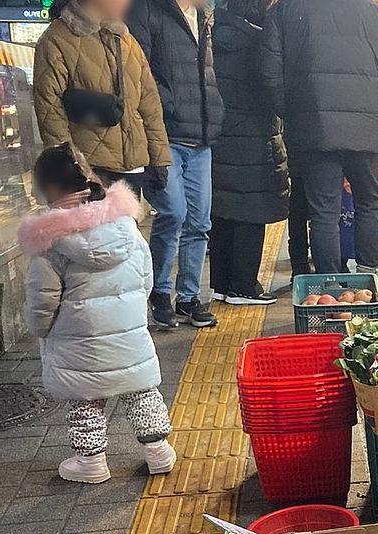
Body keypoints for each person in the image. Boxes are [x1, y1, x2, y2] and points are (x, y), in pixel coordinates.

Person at [20, 144, 176, 485]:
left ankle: (90, 462)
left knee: (86, 400)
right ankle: (159, 451)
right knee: (142, 390)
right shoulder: (126, 227)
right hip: (129, 334)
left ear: (49, 190)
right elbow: (145, 278)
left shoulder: (50, 244)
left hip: (78, 342)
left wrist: (41, 330)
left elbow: (41, 303)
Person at [262, 0, 378, 273]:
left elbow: (270, 70)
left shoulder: (286, 8)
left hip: (315, 129)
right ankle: (368, 276)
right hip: (367, 128)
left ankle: (329, 287)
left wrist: (294, 111)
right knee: (368, 203)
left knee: (323, 212)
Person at [128, 0, 223, 328]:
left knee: (200, 222)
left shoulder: (203, 15)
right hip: (165, 134)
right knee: (173, 213)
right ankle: (159, 291)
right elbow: (138, 68)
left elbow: (207, 72)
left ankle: (189, 297)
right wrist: (169, 104)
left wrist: (214, 110)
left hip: (201, 135)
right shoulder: (148, 10)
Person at [31, 0, 169, 196]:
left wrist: (159, 160)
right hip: (91, 170)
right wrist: (71, 169)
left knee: (127, 226)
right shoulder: (56, 39)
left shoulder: (127, 40)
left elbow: (150, 104)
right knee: (98, 227)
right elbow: (50, 111)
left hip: (133, 168)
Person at [208, 0, 290, 304]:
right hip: (253, 133)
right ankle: (244, 286)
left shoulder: (210, 37)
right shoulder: (258, 42)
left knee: (223, 208)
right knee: (250, 209)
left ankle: (220, 283)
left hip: (218, 134)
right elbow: (271, 87)